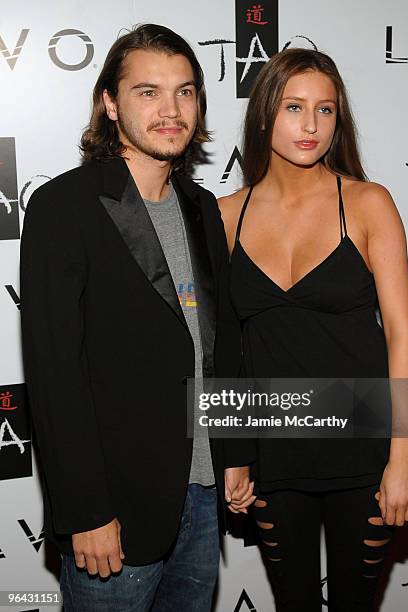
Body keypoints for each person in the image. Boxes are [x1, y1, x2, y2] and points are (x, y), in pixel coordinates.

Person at [20, 23, 253, 612]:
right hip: (115, 507)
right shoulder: (63, 208)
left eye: (185, 91)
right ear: (109, 103)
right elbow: (54, 377)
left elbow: (217, 341)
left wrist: (235, 450)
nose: (170, 110)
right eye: (148, 92)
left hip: (202, 496)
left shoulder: (202, 207)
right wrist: (86, 512)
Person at [219, 48, 408, 611]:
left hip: (364, 448)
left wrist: (403, 459)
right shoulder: (225, 214)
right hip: (272, 451)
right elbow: (222, 348)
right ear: (264, 115)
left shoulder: (367, 203)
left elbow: (401, 336)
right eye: (293, 106)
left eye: (325, 110)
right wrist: (233, 454)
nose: (310, 125)